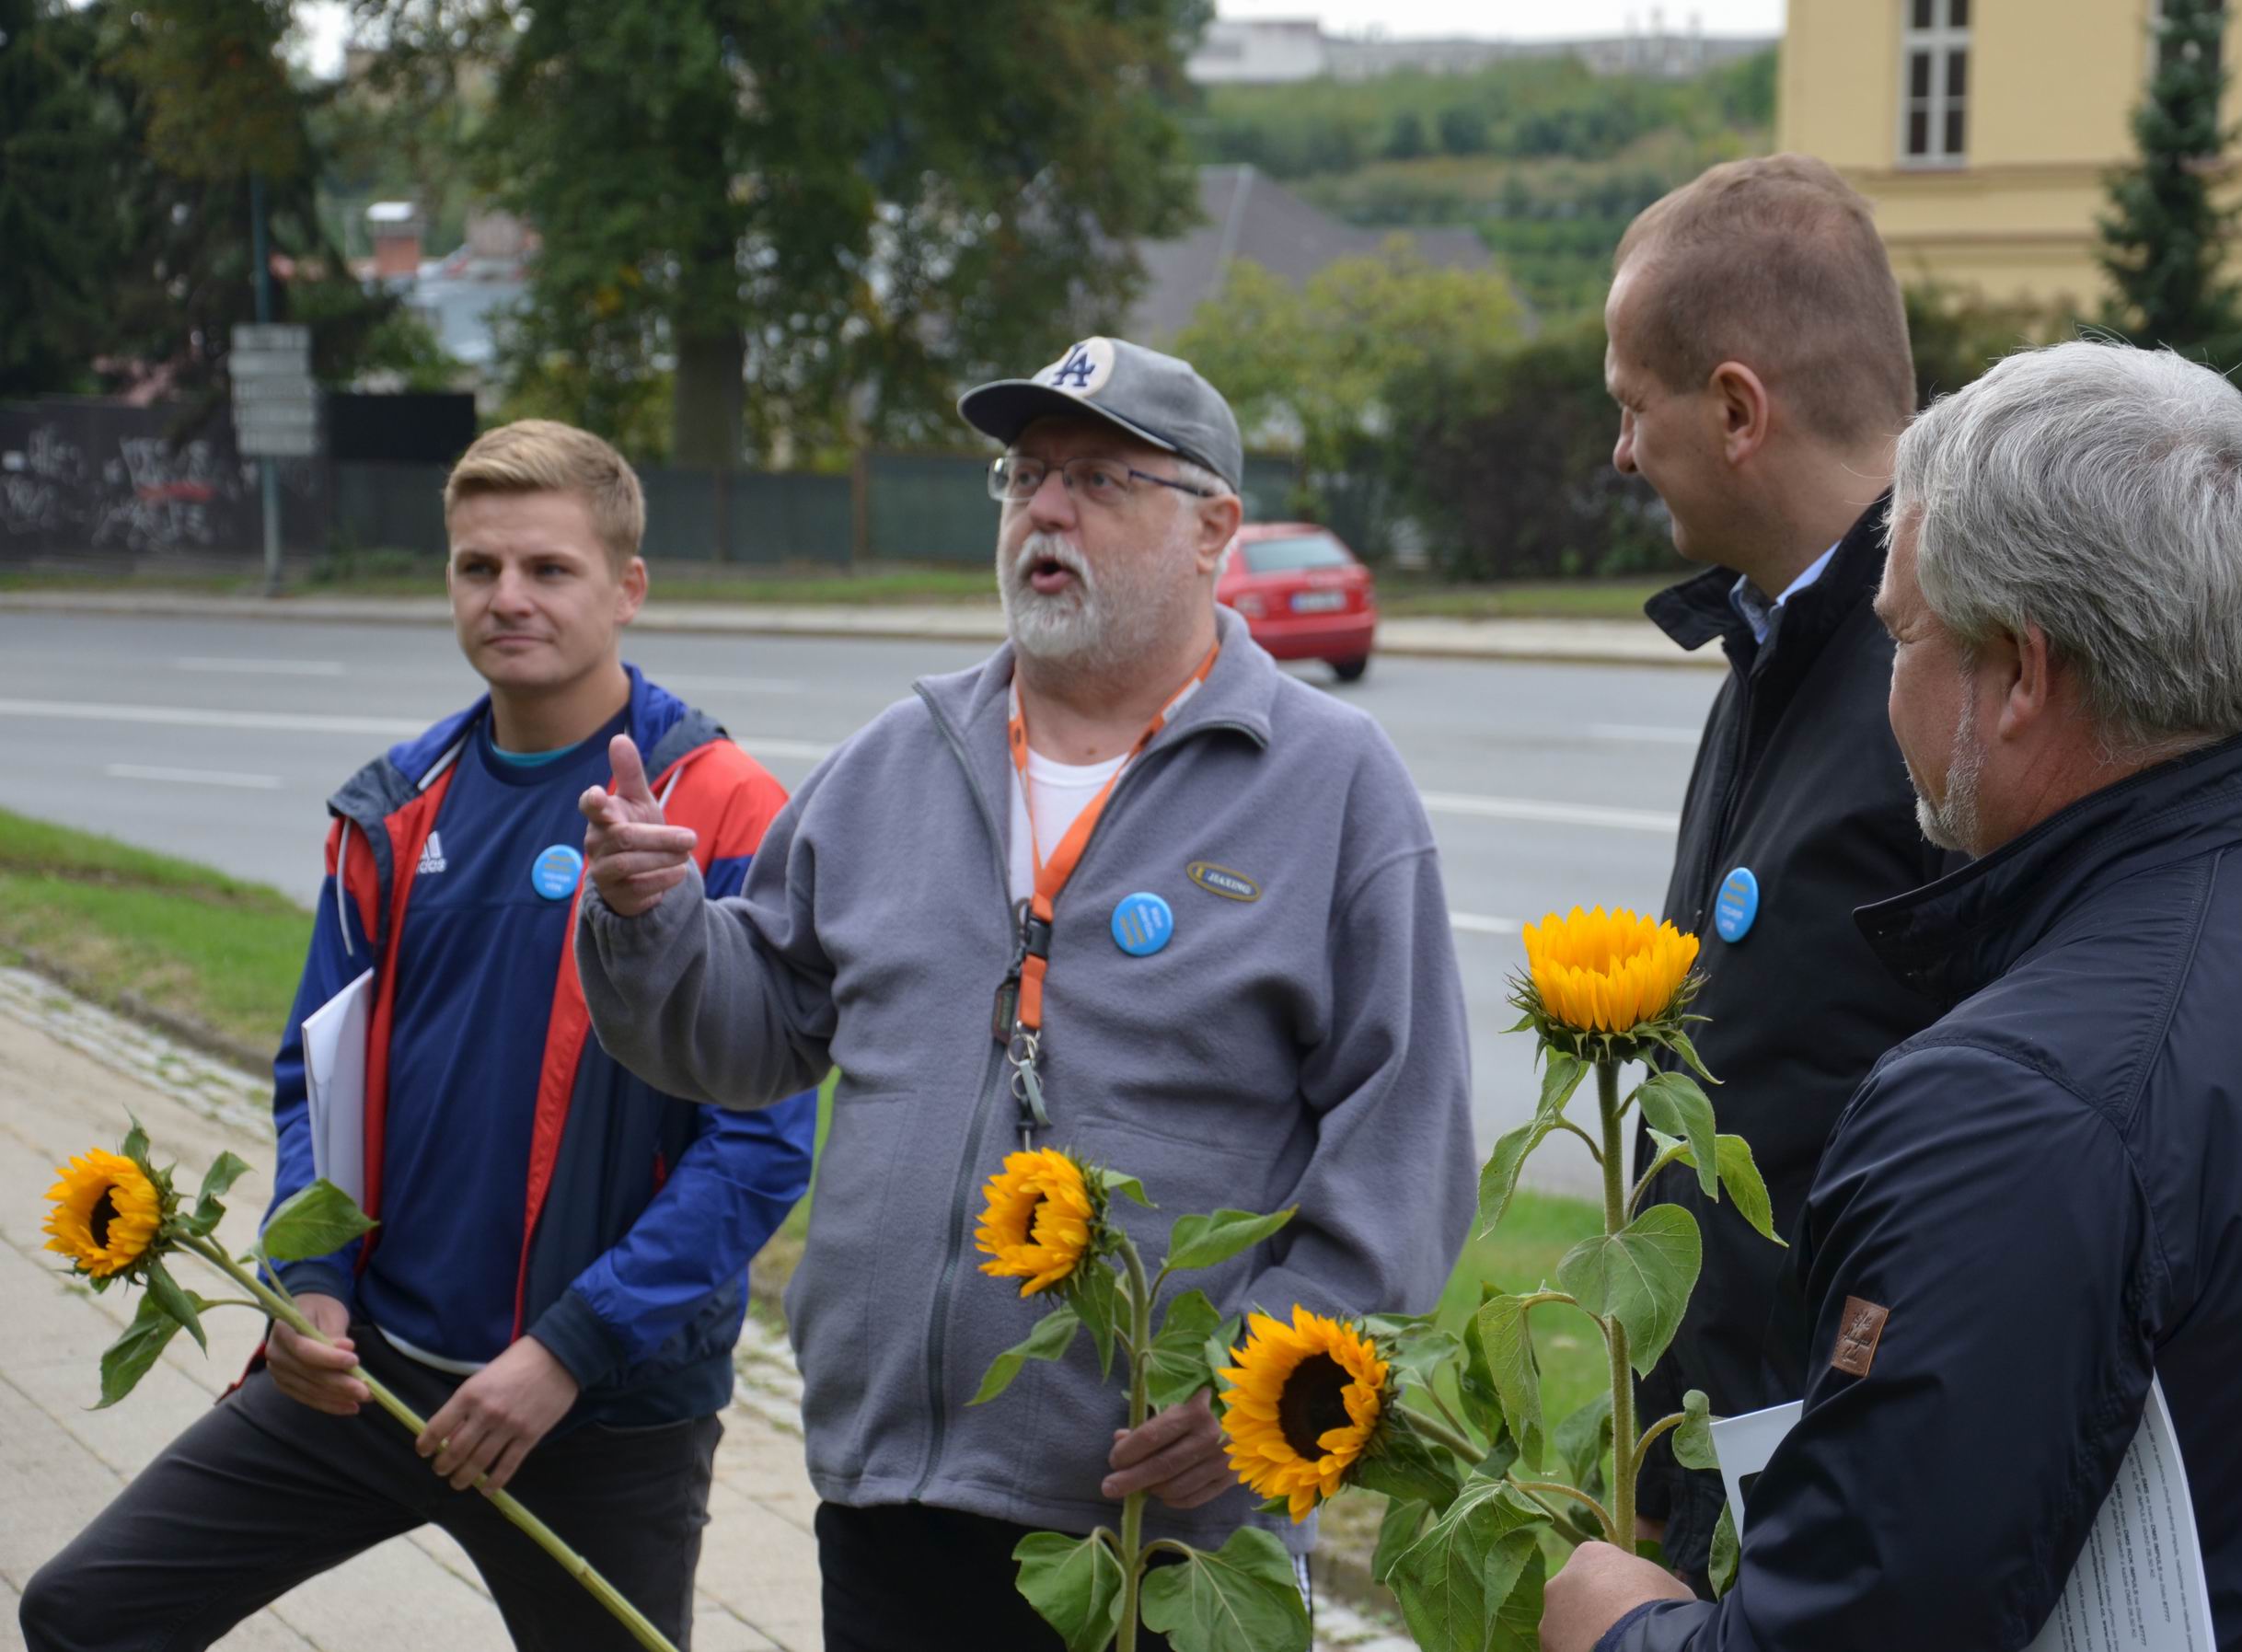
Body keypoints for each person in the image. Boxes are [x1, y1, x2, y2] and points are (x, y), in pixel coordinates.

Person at [1543, 341, 2242, 1651]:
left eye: (1902, 637)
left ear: (2021, 676)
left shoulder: (2003, 1103)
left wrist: (1616, 1626)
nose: (1891, 690)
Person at [571, 336, 1475, 1651]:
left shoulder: (1329, 783)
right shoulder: (898, 758)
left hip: (1165, 1528)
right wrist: (652, 923)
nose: (1044, 511)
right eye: (1024, 476)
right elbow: (749, 1033)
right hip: (890, 1491)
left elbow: (1405, 1141)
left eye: (1100, 479)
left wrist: (1275, 1391)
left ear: (1213, 525)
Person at [21, 421, 818, 1652]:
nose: (508, 597)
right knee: (83, 1613)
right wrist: (312, 1288)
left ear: (628, 587)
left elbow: (758, 1149)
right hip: (372, 1376)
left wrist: (565, 1352)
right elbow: (313, 1076)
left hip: (597, 1407)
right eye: (476, 567)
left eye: (548, 569)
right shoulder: (397, 803)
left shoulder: (716, 808)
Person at [1605, 154, 1954, 1580]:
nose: (1619, 453)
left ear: (1737, 409)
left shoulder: (1937, 692)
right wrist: (1648, 1453)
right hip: (1729, 1469)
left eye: (1634, 408)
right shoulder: (1777, 645)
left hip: (1847, 1504)